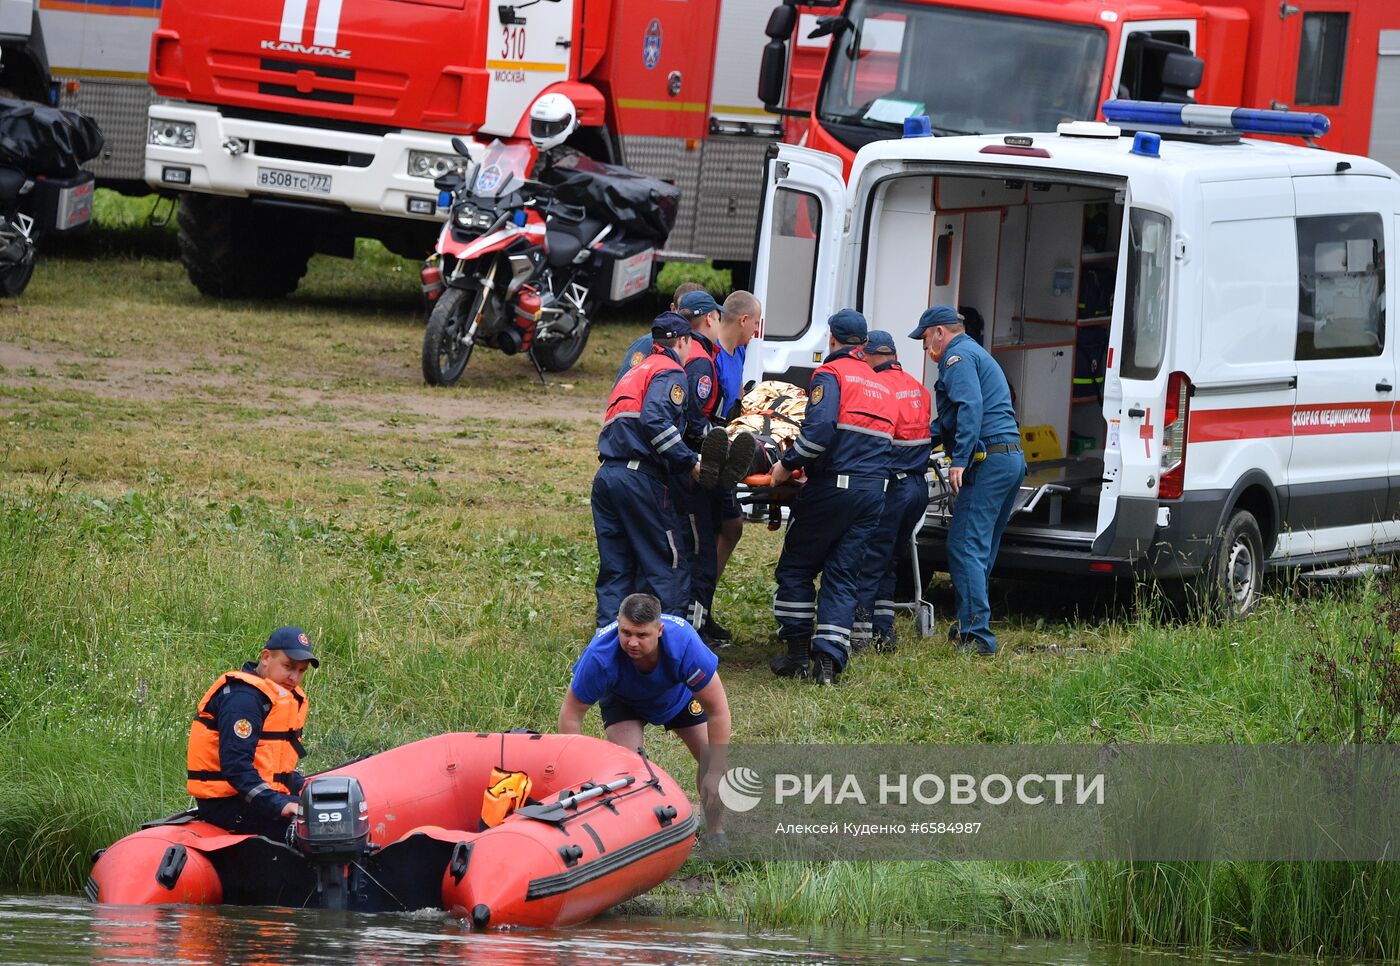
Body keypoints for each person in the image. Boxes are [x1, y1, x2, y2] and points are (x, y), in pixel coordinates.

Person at [768, 309, 895, 684]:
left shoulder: (831, 374)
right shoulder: (882, 384)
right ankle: (828, 662)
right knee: (842, 575)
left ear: (832, 339)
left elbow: (819, 431)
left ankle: (795, 653)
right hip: (874, 494)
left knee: (797, 567)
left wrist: (786, 465)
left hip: (834, 489)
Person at [558, 593, 731, 836]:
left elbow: (718, 711)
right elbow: (571, 714)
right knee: (632, 771)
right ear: (618, 622)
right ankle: (643, 834)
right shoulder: (599, 655)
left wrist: (714, 770)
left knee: (713, 759)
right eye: (626, 632)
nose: (632, 643)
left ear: (659, 630)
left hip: (677, 697)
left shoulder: (685, 643)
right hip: (624, 701)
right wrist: (575, 774)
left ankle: (714, 830)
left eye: (642, 635)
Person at [911, 305, 1026, 656]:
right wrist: (918, 438)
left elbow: (970, 407)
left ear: (941, 333)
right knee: (980, 547)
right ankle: (970, 623)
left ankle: (976, 637)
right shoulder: (975, 352)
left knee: (963, 546)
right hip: (1009, 458)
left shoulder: (956, 358)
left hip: (987, 460)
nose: (925, 346)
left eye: (926, 337)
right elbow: (952, 420)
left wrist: (959, 461)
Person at [593, 312, 702, 625]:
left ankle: (609, 644)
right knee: (667, 564)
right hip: (641, 479)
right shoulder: (669, 371)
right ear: (682, 341)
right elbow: (655, 420)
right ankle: (670, 644)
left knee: (617, 569)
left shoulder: (636, 370)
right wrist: (689, 460)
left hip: (607, 476)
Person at [187, 626, 320, 840]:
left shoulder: (275, 697)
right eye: (289, 666)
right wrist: (278, 804)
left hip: (255, 797)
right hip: (228, 805)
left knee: (333, 816)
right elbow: (236, 767)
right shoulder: (243, 700)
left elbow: (271, 767)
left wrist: (301, 787)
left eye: (302, 671)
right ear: (266, 657)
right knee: (315, 831)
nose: (294, 677)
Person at [853, 330, 932, 653]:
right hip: (917, 488)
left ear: (871, 355)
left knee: (869, 560)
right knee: (889, 561)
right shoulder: (918, 388)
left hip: (893, 487)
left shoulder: (879, 388)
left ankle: (858, 634)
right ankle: (884, 632)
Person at [616, 282, 707, 384]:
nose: (690, 318)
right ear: (673, 309)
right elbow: (625, 385)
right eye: (684, 312)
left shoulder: (711, 349)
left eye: (696, 312)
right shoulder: (647, 343)